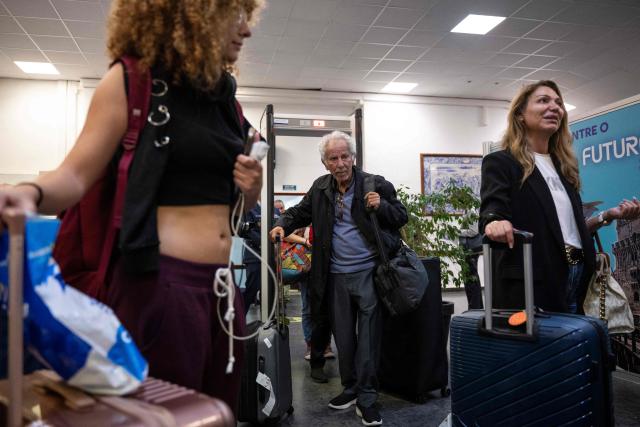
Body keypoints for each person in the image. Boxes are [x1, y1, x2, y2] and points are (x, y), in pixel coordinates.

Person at [0, 0, 263, 414]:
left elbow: (236, 209)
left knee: (217, 415)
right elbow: (74, 175)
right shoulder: (133, 81)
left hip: (223, 290)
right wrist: (29, 192)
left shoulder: (227, 103)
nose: (247, 29)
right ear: (192, 12)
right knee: (163, 418)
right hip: (161, 289)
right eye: (236, 12)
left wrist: (252, 188)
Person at [270, 130, 407, 426]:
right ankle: (351, 388)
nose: (341, 162)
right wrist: (281, 224)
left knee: (369, 339)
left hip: (370, 274)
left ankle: (368, 398)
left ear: (353, 157)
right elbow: (297, 213)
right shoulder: (320, 188)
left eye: (345, 156)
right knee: (344, 339)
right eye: (334, 158)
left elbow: (400, 216)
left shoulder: (375, 183)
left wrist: (380, 205)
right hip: (334, 277)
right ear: (325, 163)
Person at [481, 80, 640, 314]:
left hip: (576, 274)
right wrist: (494, 222)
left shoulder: (564, 168)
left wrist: (607, 216)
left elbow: (568, 233)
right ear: (521, 115)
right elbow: (491, 212)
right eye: (543, 100)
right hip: (537, 281)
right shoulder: (502, 163)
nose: (554, 107)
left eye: (558, 103)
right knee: (546, 349)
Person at [458, 223, 484, 309]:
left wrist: (457, 231)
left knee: (471, 279)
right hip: (468, 249)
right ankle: (476, 307)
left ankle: (475, 307)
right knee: (470, 278)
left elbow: (473, 231)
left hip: (470, 249)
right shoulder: (469, 210)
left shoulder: (470, 210)